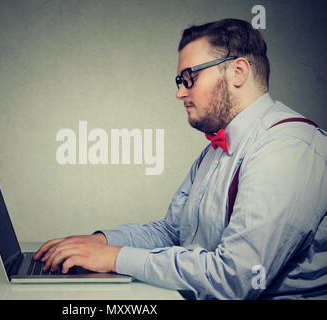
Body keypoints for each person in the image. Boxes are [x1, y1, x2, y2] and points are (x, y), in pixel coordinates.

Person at [33, 18, 327, 299]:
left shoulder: (287, 148)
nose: (179, 92)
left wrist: (115, 258)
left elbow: (235, 279)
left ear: (238, 71)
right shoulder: (215, 150)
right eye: (179, 80)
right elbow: (173, 232)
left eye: (189, 78)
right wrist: (100, 242)